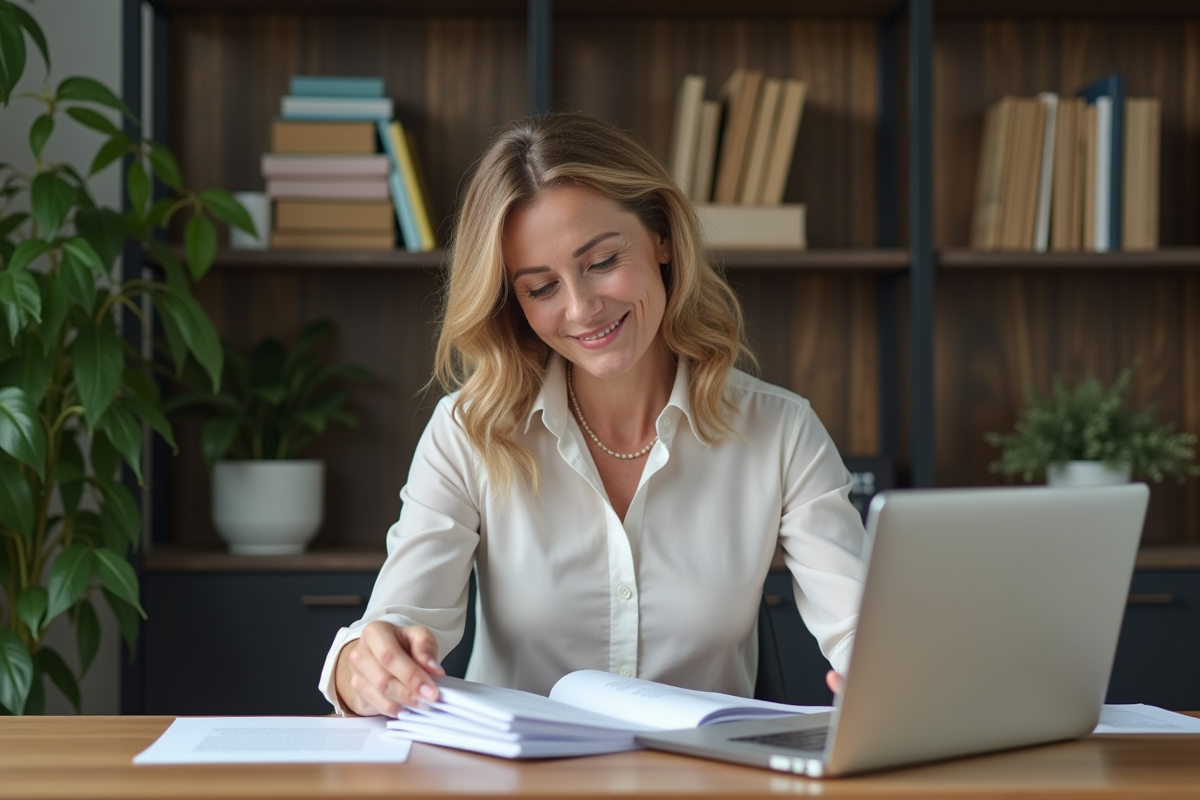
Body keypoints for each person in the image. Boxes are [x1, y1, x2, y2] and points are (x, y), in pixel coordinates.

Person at [319, 113, 866, 717]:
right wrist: (361, 669)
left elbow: (863, 627)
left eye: (602, 261)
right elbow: (396, 623)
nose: (581, 309)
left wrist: (881, 670)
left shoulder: (781, 432)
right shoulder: (469, 432)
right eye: (540, 288)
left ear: (661, 237)